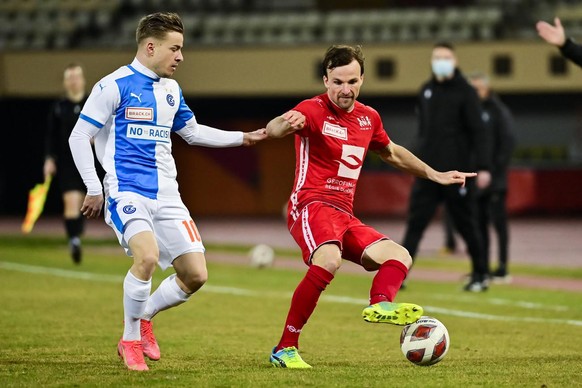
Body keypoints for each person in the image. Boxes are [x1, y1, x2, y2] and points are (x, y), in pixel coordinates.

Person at [68, 12, 266, 371]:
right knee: (145, 257)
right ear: (150, 46)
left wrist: (244, 138)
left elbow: (192, 132)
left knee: (196, 275)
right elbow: (78, 135)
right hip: (126, 191)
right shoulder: (113, 85)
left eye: (181, 49)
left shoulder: (171, 90)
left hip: (168, 196)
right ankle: (129, 341)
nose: (180, 56)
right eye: (175, 49)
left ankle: (143, 317)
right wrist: (94, 187)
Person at [265, 45, 476, 368]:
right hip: (310, 204)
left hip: (344, 215)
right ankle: (285, 348)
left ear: (362, 79)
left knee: (399, 254)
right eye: (337, 82)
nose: (345, 89)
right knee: (329, 259)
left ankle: (381, 303)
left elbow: (391, 152)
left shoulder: (368, 117)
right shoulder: (311, 109)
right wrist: (284, 123)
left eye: (351, 81)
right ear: (325, 80)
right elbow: (275, 130)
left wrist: (435, 174)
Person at [401, 42, 492, 292]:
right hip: (428, 173)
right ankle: (400, 273)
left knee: (466, 224)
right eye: (437, 57)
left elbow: (479, 131)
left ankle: (481, 274)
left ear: (454, 61)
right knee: (415, 224)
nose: (441, 60)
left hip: (456, 173)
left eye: (445, 57)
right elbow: (423, 132)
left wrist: (483, 167)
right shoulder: (426, 90)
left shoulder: (466, 91)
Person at [468, 72, 516, 283]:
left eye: (477, 89)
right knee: (478, 226)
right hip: (476, 180)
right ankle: (483, 268)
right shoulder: (471, 112)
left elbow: (507, 143)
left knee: (499, 224)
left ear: (486, 89)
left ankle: (503, 267)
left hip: (495, 180)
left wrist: (494, 172)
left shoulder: (498, 111)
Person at [44, 63, 88, 264]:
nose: (73, 81)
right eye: (69, 77)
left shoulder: (91, 104)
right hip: (67, 163)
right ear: (65, 82)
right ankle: (75, 240)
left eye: (76, 77)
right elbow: (51, 137)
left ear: (83, 80)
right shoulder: (59, 108)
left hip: (90, 162)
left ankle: (78, 233)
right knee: (71, 202)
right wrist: (49, 159)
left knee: (86, 205)